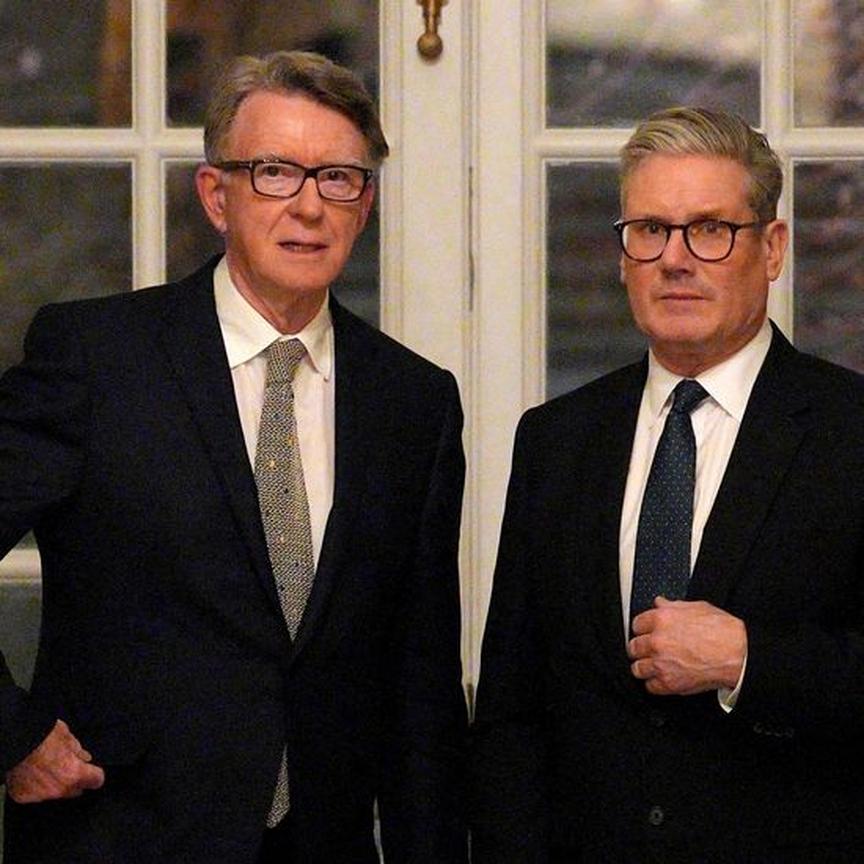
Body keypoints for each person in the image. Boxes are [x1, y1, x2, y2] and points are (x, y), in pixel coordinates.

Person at [0, 50, 468, 864]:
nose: (309, 207)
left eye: (338, 179)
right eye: (275, 172)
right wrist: (12, 735)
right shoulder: (96, 359)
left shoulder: (413, 403)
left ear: (366, 205)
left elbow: (419, 687)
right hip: (117, 837)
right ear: (217, 196)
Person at [470, 106, 864, 862]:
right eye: (650, 230)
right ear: (623, 255)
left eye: (710, 230)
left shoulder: (848, 431)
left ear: (773, 248)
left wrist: (748, 660)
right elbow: (513, 714)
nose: (675, 259)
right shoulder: (556, 440)